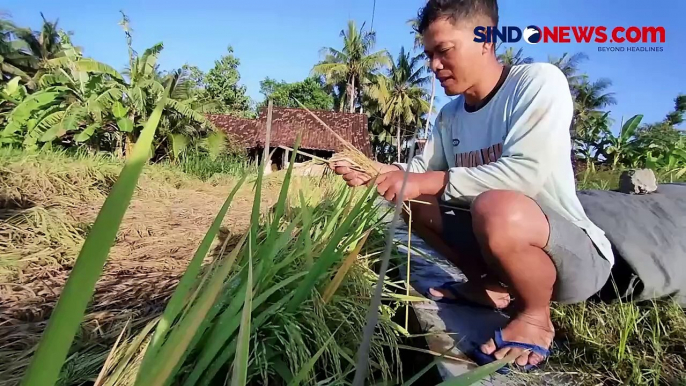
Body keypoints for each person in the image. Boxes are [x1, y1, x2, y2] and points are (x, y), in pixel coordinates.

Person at [331, 0, 614, 370]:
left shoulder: (537, 83)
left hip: (571, 260)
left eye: (444, 51)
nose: (434, 66)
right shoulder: (450, 116)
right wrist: (376, 173)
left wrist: (420, 180)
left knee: (495, 207)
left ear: (486, 40)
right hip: (500, 250)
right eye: (430, 54)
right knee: (411, 197)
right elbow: (418, 171)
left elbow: (524, 174)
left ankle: (534, 315)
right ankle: (488, 286)